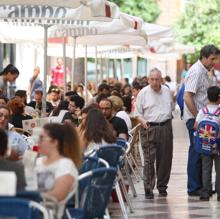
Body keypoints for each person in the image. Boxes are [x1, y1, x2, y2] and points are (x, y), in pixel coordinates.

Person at [184, 44, 220, 196]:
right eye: (212, 59)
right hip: (196, 119)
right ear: (204, 57)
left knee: (201, 151)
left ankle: (201, 186)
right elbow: (187, 96)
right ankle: (194, 187)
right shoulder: (196, 71)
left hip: (202, 119)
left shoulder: (204, 71)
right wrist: (198, 117)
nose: (214, 62)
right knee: (196, 151)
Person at [135, 68, 173, 199]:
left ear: (161, 79)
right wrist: (142, 121)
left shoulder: (167, 90)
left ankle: (162, 186)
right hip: (149, 127)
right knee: (149, 159)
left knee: (165, 158)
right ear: (148, 79)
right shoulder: (143, 93)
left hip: (165, 126)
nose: (155, 82)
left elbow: (171, 107)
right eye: (152, 79)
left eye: (157, 79)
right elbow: (137, 113)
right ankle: (148, 188)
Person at [35, 123, 81, 219]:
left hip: (47, 214)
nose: (38, 142)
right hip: (29, 209)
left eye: (41, 138)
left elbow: (57, 196)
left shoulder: (66, 165)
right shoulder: (38, 162)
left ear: (55, 142)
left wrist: (26, 195)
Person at [194, 86, 220, 201]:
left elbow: (196, 126)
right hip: (218, 145)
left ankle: (206, 192)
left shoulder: (202, 111)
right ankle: (219, 193)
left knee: (206, 168)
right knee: (219, 169)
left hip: (205, 143)